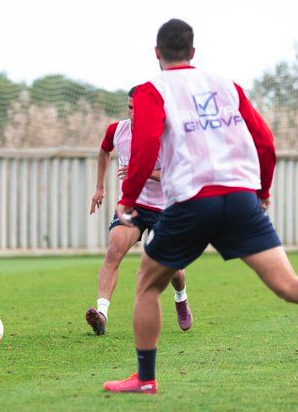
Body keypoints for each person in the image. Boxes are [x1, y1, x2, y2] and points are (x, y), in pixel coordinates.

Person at [104, 18, 298, 394]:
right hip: (240, 200)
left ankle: (145, 378)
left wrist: (128, 199)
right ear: (193, 53)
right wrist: (263, 191)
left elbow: (144, 148)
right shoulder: (228, 86)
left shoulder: (150, 90)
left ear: (156, 53)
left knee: (146, 285)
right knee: (288, 285)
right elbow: (265, 142)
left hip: (192, 202)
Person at [86, 86, 192, 335]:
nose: (134, 113)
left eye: (140, 109)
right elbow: (104, 151)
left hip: (166, 209)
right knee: (114, 250)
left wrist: (141, 172)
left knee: (172, 267)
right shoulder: (117, 130)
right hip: (133, 205)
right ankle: (101, 314)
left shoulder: (167, 135)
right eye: (131, 107)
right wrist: (100, 187)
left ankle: (181, 298)